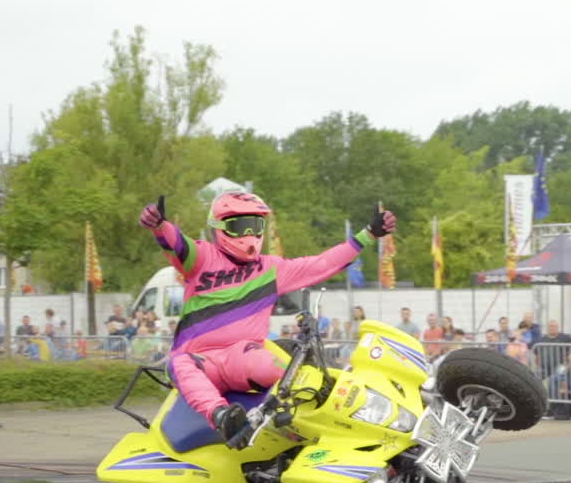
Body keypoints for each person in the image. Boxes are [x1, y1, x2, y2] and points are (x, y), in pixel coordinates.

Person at [140, 191, 397, 447]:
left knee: (292, 373)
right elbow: (177, 243)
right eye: (240, 226)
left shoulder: (272, 269)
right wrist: (159, 225)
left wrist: (369, 234)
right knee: (180, 363)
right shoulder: (201, 258)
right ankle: (222, 416)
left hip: (243, 355)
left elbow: (323, 264)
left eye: (255, 225)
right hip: (201, 360)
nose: (248, 235)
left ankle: (344, 425)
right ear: (219, 228)